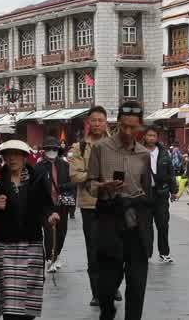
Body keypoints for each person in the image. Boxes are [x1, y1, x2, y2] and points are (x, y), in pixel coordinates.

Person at [85, 101, 153, 320]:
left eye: (133, 127)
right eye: (123, 126)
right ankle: (107, 310)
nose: (127, 131)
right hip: (109, 216)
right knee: (107, 280)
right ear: (117, 123)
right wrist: (103, 187)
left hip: (135, 218)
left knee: (137, 279)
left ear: (140, 127)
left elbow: (145, 189)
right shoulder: (101, 148)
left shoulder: (143, 154)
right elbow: (89, 184)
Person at [0, 140, 58, 320]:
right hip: (5, 244)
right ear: (4, 157)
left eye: (17, 154)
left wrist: (51, 214)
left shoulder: (37, 177)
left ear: (25, 157)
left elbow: (46, 204)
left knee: (29, 299)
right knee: (10, 299)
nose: (12, 158)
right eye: (8, 154)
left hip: (32, 244)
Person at [68, 106, 109, 307]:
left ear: (106, 121)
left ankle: (112, 285)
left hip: (113, 202)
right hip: (90, 204)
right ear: (89, 123)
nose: (97, 124)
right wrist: (97, 177)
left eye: (100, 120)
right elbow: (75, 175)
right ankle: (97, 292)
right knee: (93, 249)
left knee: (113, 247)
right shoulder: (80, 147)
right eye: (94, 120)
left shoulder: (115, 144)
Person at [34, 136, 73, 272]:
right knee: (49, 232)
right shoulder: (38, 167)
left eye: (54, 148)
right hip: (45, 205)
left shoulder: (65, 165)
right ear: (44, 150)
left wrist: (63, 187)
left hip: (62, 204)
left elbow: (72, 183)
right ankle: (50, 259)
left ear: (58, 150)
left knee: (61, 232)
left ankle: (56, 254)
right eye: (48, 148)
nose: (51, 151)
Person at [140, 126, 176, 263]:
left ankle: (164, 253)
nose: (151, 138)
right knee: (146, 226)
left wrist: (173, 191)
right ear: (145, 136)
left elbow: (171, 172)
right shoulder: (139, 151)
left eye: (153, 136)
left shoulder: (164, 153)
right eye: (148, 135)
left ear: (157, 137)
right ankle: (147, 253)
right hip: (144, 193)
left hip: (161, 193)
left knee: (162, 224)